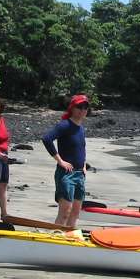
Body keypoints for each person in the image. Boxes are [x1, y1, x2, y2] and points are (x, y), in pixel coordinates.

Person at [42, 94, 90, 229]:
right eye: (79, 107)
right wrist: (60, 161)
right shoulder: (64, 125)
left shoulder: (80, 127)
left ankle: (69, 239)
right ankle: (56, 238)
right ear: (72, 108)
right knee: (65, 212)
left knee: (75, 212)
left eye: (85, 107)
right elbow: (47, 139)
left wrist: (84, 164)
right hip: (66, 174)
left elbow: (82, 146)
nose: (83, 110)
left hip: (80, 174)